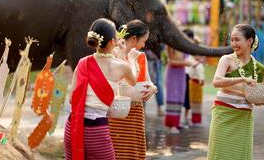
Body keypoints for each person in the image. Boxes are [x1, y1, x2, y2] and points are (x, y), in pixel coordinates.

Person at [64, 18, 136, 160]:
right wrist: (128, 57)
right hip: (96, 131)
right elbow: (132, 81)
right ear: (111, 42)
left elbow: (72, 99)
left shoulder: (83, 63)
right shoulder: (122, 67)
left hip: (73, 127)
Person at [207, 24, 264, 160]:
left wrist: (260, 100)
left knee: (240, 156)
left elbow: (254, 96)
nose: (233, 44)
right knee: (219, 155)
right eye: (232, 40)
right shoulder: (226, 59)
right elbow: (216, 82)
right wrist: (242, 80)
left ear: (249, 41)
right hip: (223, 115)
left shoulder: (259, 68)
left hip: (243, 118)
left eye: (237, 40)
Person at [109, 19, 157, 160]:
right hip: (117, 111)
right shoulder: (113, 54)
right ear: (134, 39)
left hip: (136, 111)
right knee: (116, 151)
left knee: (134, 152)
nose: (144, 45)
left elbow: (148, 81)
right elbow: (117, 82)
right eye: (143, 41)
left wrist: (154, 88)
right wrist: (130, 61)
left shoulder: (141, 57)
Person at [164, 43, 195, 134]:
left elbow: (191, 50)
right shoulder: (170, 45)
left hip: (181, 72)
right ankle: (172, 125)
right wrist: (185, 63)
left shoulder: (181, 46)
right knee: (173, 97)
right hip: (173, 73)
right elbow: (171, 61)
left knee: (180, 97)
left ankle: (176, 123)